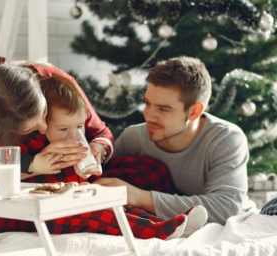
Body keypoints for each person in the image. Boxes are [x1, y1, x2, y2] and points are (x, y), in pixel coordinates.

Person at [0, 57, 188, 241]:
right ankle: (122, 218)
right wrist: (31, 165)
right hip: (18, 189)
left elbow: (101, 133)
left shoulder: (56, 83)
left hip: (70, 178)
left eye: (44, 114)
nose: (44, 126)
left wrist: (96, 150)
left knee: (153, 171)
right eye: (28, 129)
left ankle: (110, 209)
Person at [95, 56, 249, 225]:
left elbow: (225, 209)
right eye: (147, 103)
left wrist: (139, 196)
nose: (148, 115)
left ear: (194, 112)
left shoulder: (226, 139)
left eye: (163, 109)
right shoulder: (133, 138)